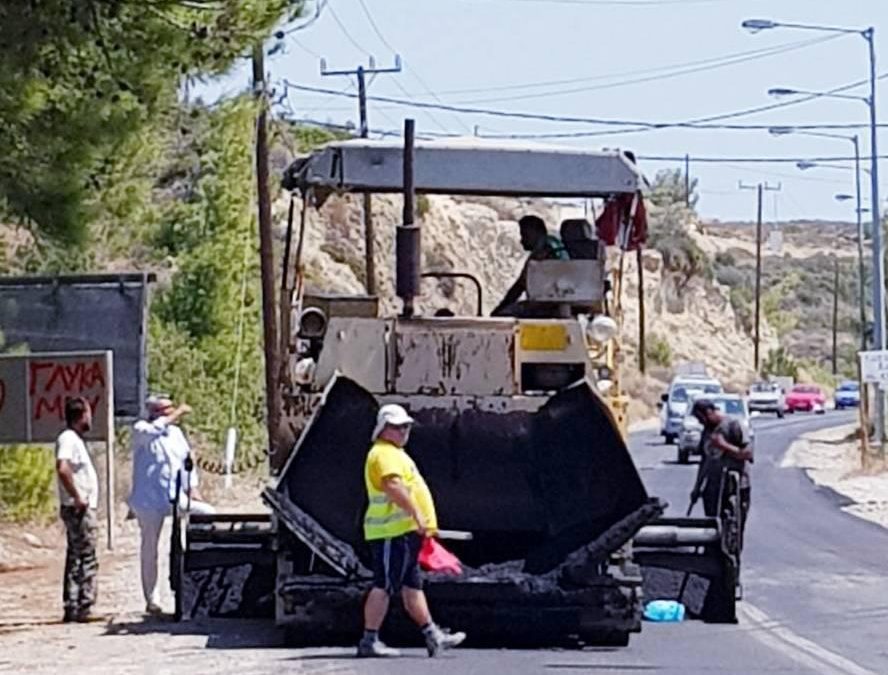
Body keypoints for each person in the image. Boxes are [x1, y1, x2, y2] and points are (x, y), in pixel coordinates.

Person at [358, 404, 466, 658]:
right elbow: (393, 486)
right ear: (383, 429)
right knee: (383, 585)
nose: (404, 431)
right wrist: (417, 515)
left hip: (404, 534)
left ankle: (432, 635)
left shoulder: (394, 452)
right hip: (390, 533)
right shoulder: (384, 454)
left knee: (412, 587)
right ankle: (369, 641)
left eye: (406, 426)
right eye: (398, 427)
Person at [129, 395, 214, 615]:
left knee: (207, 514)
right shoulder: (141, 430)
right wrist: (175, 414)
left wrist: (192, 488)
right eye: (164, 411)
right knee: (150, 547)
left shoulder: (175, 434)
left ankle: (201, 568)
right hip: (149, 499)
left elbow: (187, 462)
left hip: (174, 495)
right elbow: (154, 429)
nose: (169, 414)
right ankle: (152, 598)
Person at [55, 397, 99, 623]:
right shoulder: (68, 439)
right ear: (81, 415)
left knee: (76, 555)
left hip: (78, 506)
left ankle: (73, 605)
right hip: (78, 508)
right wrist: (77, 496)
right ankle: (83, 605)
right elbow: (63, 468)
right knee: (86, 555)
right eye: (89, 413)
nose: (91, 418)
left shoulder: (75, 440)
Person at [689, 399, 753, 537]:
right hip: (713, 488)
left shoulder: (734, 425)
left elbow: (748, 454)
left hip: (736, 487)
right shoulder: (707, 431)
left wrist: (724, 446)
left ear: (709, 412)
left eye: (701, 418)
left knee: (734, 529)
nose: (700, 422)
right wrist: (697, 487)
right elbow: (704, 461)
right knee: (712, 528)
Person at [491, 215, 568, 317]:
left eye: (524, 235)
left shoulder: (542, 253)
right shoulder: (557, 246)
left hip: (545, 307)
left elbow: (519, 287)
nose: (522, 240)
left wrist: (499, 310)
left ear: (535, 232)